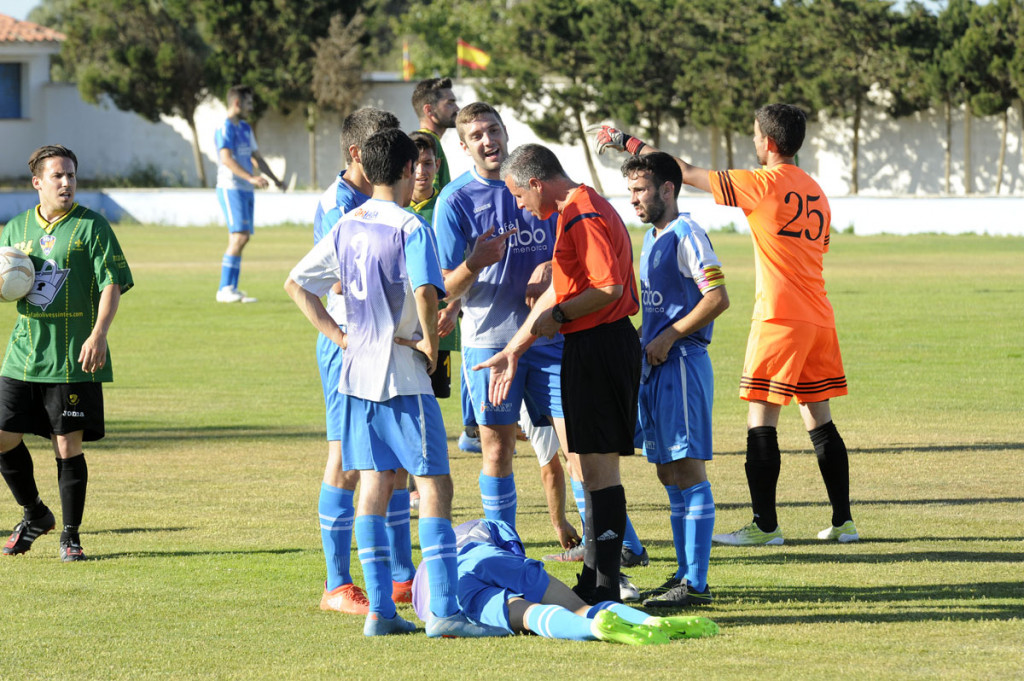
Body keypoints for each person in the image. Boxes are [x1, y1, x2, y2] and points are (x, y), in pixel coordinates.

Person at [593, 103, 857, 546]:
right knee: (819, 418)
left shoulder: (763, 182)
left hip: (780, 315)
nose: (752, 143)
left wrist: (627, 142)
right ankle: (843, 521)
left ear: (769, 143)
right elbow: (821, 245)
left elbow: (682, 171)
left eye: (755, 136)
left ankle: (765, 526)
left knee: (761, 420)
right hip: (820, 316)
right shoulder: (816, 190)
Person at [285, 128, 492, 638]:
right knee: (434, 485)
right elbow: (426, 290)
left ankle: (381, 611)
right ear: (405, 170)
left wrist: (339, 336)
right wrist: (429, 343)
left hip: (355, 377)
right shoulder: (407, 226)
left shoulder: (349, 222)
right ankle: (443, 611)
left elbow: (296, 284)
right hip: (401, 378)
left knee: (374, 486)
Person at [477, 143, 641, 605]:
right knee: (587, 467)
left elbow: (607, 288)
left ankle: (608, 585)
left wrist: (563, 318)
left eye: (518, 195)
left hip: (603, 345)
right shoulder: (574, 211)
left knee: (599, 470)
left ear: (535, 182)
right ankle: (593, 580)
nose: (520, 205)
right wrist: (514, 348)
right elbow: (557, 294)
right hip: (590, 346)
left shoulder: (584, 213)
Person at [433, 103, 579, 551]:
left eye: (492, 130)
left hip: (552, 335)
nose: (487, 140)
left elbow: (575, 248)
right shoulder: (455, 200)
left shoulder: (541, 184)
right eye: (475, 135)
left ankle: (603, 548)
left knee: (578, 449)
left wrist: (550, 268)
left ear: (505, 131)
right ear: (463, 146)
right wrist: (474, 264)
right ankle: (505, 551)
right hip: (490, 344)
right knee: (498, 451)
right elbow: (443, 285)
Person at [0, 145, 134, 562]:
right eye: (57, 176)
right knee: (2, 437)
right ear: (37, 182)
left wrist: (99, 333)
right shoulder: (15, 228)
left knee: (66, 445)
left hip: (73, 355)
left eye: (71, 175)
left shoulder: (92, 227)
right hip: (23, 353)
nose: (66, 183)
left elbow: (112, 281)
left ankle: (71, 537)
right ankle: (36, 514)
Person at [308, 108, 413, 615]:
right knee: (347, 461)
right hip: (349, 345)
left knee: (389, 461)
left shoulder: (381, 200)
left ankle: (398, 577)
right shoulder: (341, 205)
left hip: (385, 345)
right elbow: (334, 278)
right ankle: (336, 584)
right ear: (358, 153)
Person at [620, 153, 730, 607]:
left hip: (682, 362)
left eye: (641, 190)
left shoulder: (688, 234)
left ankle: (697, 584)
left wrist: (669, 336)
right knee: (668, 471)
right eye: (630, 192)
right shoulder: (652, 236)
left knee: (687, 470)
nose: (634, 200)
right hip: (656, 366)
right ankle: (683, 573)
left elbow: (717, 297)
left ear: (668, 189)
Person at [410, 519, 720, 644]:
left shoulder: (423, 577)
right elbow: (513, 550)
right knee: (581, 606)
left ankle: (594, 631)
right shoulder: (483, 525)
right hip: (492, 557)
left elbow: (423, 606)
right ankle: (648, 621)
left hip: (458, 589)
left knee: (528, 615)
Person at [411, 79, 481, 454]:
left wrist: (453, 304)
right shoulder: (402, 211)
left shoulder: (444, 206)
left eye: (428, 165)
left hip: (441, 319)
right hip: (410, 323)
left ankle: (470, 431)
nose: (455, 107)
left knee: (432, 400)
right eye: (449, 102)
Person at [214, 84, 284, 304]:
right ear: (237, 103)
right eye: (249, 103)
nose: (251, 107)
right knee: (240, 236)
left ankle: (231, 288)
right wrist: (251, 177)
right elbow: (226, 158)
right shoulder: (225, 127)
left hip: (245, 188)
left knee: (239, 238)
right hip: (231, 187)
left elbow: (258, 157)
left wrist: (275, 179)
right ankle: (225, 288)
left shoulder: (245, 128)